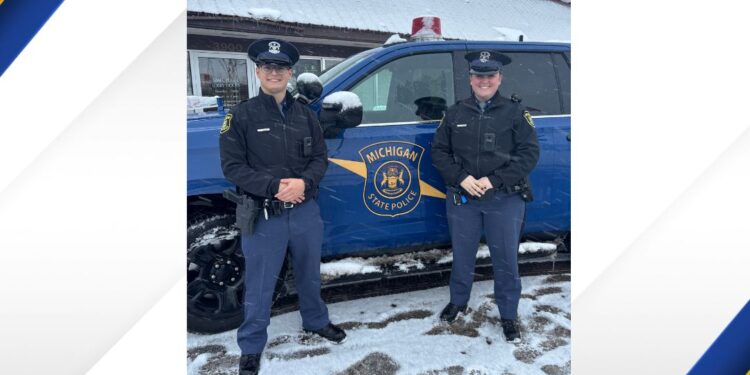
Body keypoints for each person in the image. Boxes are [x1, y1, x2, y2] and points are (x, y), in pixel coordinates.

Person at [220, 38, 346, 375]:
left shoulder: (306, 115)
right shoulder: (241, 115)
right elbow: (233, 168)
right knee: (260, 284)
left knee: (309, 275)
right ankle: (251, 347)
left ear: (290, 73)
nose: (274, 73)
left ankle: (316, 321)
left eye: (281, 68)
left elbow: (320, 157)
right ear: (258, 71)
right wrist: (276, 187)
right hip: (264, 215)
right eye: (267, 67)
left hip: (305, 210)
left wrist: (304, 183)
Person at [431, 50, 540, 342]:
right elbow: (439, 153)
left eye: (490, 75)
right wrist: (462, 178)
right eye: (479, 75)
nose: (484, 81)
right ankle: (458, 301)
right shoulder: (454, 114)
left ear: (499, 78)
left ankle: (508, 314)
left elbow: (529, 154)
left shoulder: (515, 113)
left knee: (505, 260)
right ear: (470, 79)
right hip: (463, 197)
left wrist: (493, 180)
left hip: (504, 197)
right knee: (462, 255)